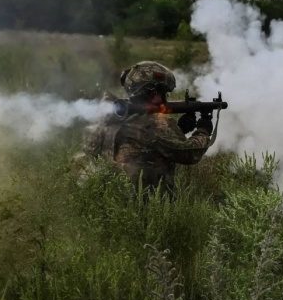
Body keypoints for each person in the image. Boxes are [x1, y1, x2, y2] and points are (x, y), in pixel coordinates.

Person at [82, 61, 213, 198]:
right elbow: (188, 154)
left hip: (109, 200)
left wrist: (179, 129)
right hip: (144, 204)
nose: (164, 98)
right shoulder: (153, 124)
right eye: (162, 93)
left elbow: (145, 145)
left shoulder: (111, 116)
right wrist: (203, 130)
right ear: (151, 93)